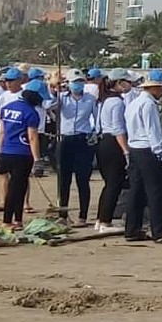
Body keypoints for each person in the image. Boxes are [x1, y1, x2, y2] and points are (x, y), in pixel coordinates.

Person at [120, 71, 162, 246]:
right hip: (148, 150)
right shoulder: (148, 105)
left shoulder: (134, 103)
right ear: (154, 88)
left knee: (136, 191)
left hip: (135, 150)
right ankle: (160, 232)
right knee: (156, 192)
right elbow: (153, 131)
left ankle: (132, 229)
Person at [0, 84, 44, 227]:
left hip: (6, 151)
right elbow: (32, 138)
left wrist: (0, 150)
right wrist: (37, 159)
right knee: (17, 188)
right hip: (22, 154)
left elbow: (2, 131)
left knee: (17, 186)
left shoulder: (7, 108)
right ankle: (8, 220)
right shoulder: (31, 113)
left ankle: (18, 220)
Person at [55, 77, 98, 224]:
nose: (77, 84)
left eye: (80, 81)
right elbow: (48, 106)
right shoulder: (61, 97)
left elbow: (96, 119)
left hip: (83, 139)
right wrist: (53, 88)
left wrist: (94, 134)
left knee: (83, 179)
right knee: (63, 179)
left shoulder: (90, 99)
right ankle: (62, 215)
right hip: (65, 139)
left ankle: (83, 215)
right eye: (74, 81)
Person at [94, 71, 130, 232]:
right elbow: (118, 128)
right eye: (128, 82)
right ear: (119, 83)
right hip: (113, 143)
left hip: (103, 141)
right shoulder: (116, 102)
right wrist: (126, 151)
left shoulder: (105, 99)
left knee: (109, 184)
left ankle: (100, 218)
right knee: (114, 184)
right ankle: (105, 222)